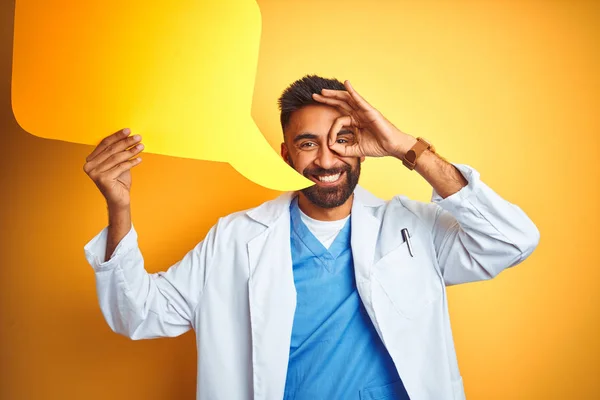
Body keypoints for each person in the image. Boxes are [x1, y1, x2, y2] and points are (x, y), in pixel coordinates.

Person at [83, 75, 539, 400]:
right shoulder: (236, 239)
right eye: (307, 144)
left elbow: (512, 240)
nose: (327, 159)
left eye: (343, 139)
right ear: (286, 154)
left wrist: (408, 149)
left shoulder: (410, 229)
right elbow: (138, 314)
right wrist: (119, 207)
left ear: (364, 143)